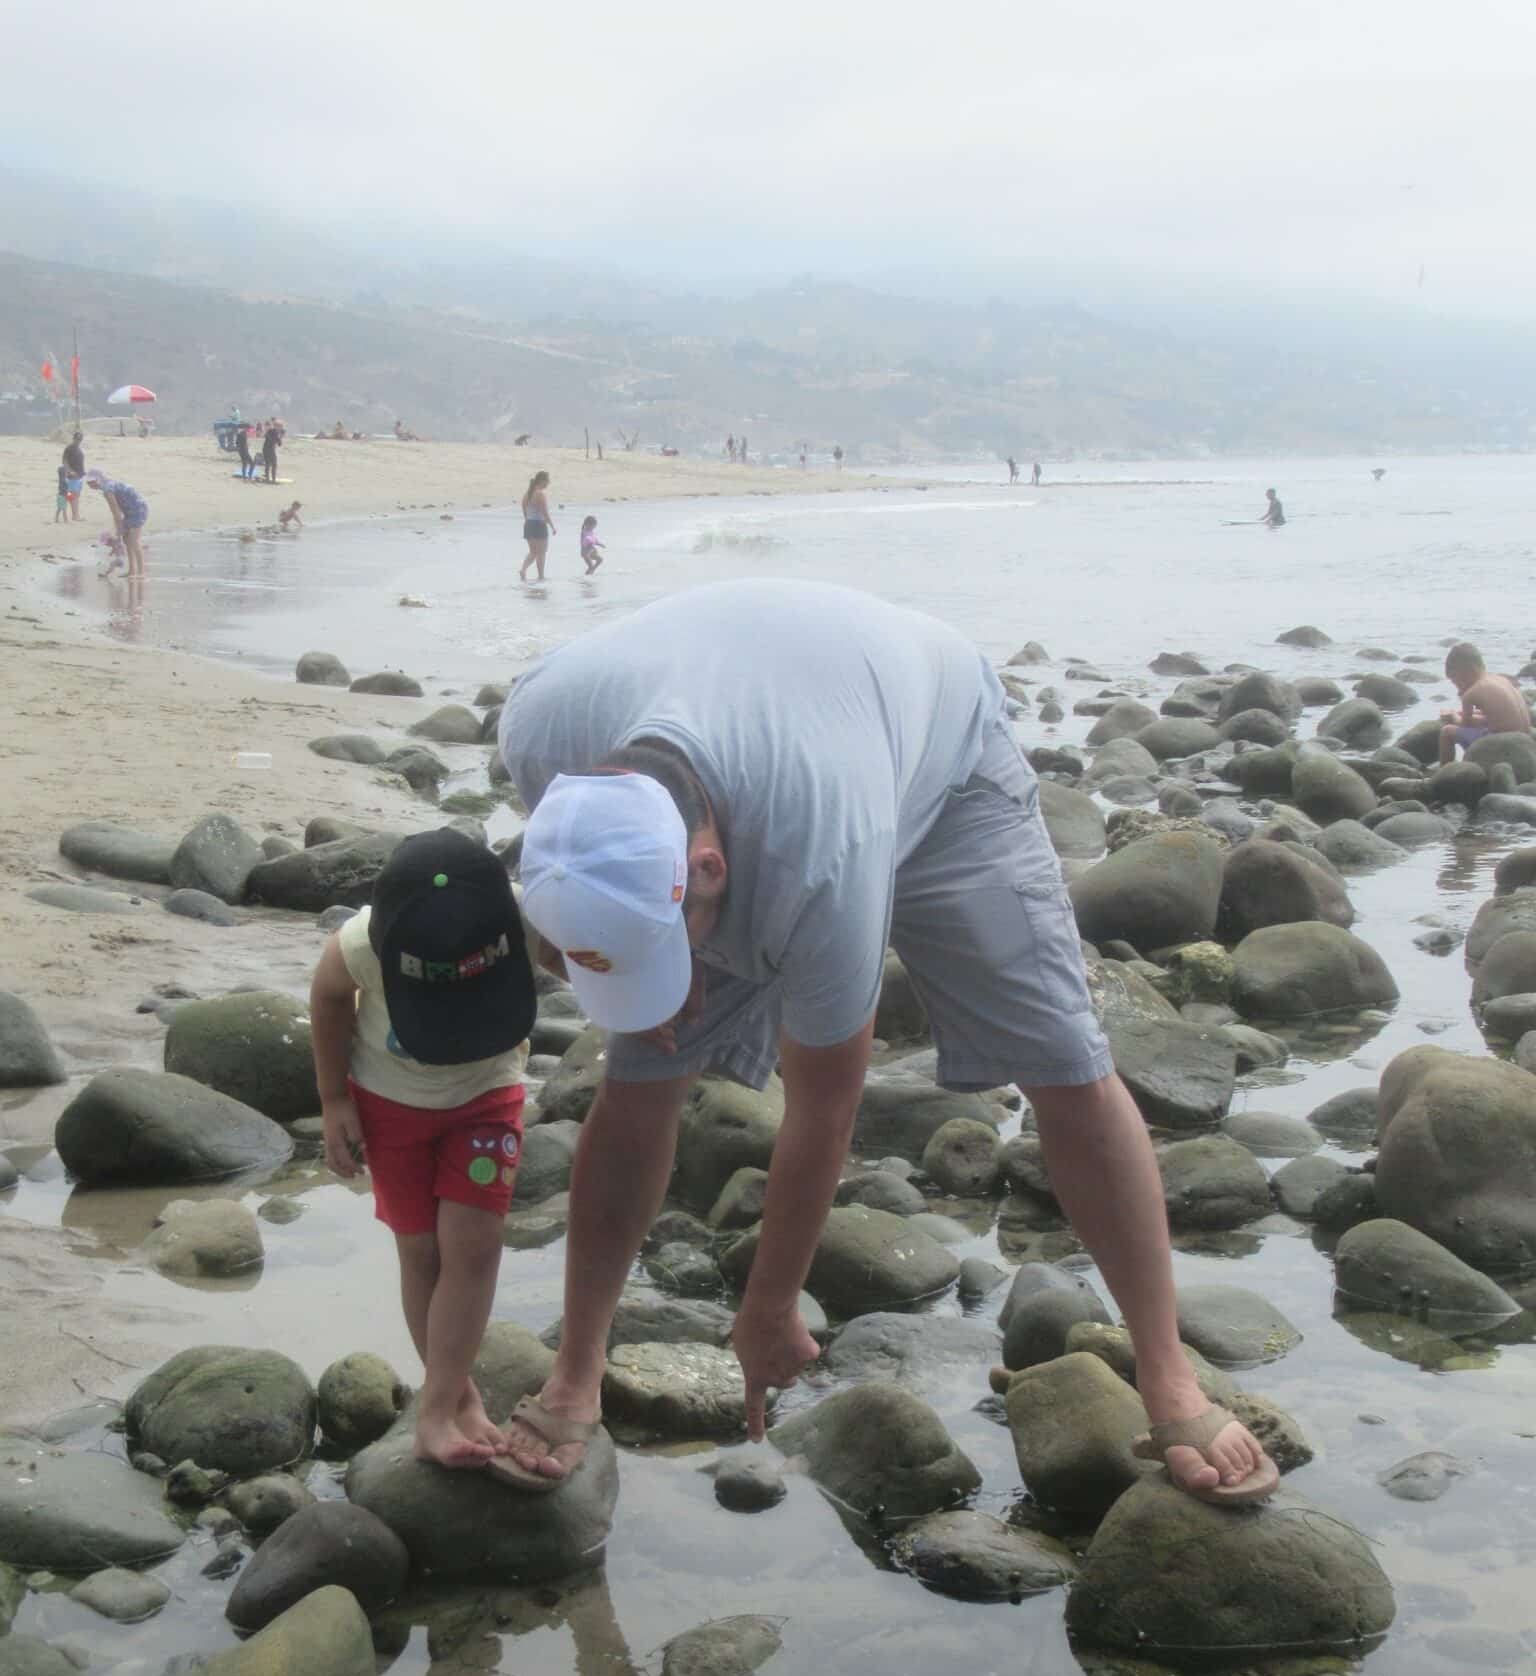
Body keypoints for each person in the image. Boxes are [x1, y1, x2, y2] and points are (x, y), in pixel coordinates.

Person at [496, 580, 1278, 1505]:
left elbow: (826, 1103)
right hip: (785, 703)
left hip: (937, 757)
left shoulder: (821, 850)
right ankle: (574, 1374)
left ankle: (1168, 1375)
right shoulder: (546, 733)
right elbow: (552, 915)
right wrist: (620, 961)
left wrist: (771, 1307)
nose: (689, 965)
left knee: (1064, 1064)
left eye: (683, 932)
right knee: (641, 1069)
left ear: (708, 868)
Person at [309, 828, 539, 1472]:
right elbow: (328, 997)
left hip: (488, 1096)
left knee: (474, 1245)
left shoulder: (519, 915)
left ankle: (434, 1412)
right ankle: (457, 1398)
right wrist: (333, 1101)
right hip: (389, 1107)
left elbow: (576, 954)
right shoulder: (361, 943)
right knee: (420, 1253)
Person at [1438, 642, 1533, 762]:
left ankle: (1444, 773)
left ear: (1467, 672)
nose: (1457, 687)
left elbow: (1465, 725)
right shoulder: (1500, 679)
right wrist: (1471, 716)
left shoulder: (1471, 694)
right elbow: (1496, 718)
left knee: (1446, 732)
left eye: (1455, 680)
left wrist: (1453, 716)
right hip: (1524, 739)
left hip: (1502, 744)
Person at [86, 469, 148, 579]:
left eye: (92, 482)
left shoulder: (107, 490)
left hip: (138, 509)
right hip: (128, 511)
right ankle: (132, 570)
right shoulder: (108, 486)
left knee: (134, 541)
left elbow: (115, 511)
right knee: (127, 541)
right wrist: (120, 530)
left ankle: (142, 572)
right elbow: (117, 511)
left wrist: (118, 530)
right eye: (88, 483)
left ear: (99, 479)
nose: (90, 485)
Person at [520, 469, 555, 582]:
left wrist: (528, 522)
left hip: (528, 524)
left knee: (533, 552)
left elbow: (524, 511)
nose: (548, 483)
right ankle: (541, 576)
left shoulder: (527, 494)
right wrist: (552, 526)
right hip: (539, 524)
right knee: (542, 552)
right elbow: (545, 513)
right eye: (547, 481)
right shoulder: (540, 494)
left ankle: (523, 569)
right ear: (542, 481)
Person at [62, 431, 86, 519]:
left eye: (80, 439)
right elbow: (64, 461)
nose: (78, 441)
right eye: (77, 439)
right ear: (74, 438)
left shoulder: (78, 448)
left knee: (75, 496)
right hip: (72, 477)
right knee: (73, 496)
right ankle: (75, 516)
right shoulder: (69, 448)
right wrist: (69, 471)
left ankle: (73, 514)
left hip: (80, 476)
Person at [261, 420, 283, 484]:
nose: (281, 428)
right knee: (274, 464)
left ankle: (268, 479)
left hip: (266, 449)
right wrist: (279, 440)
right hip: (269, 449)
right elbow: (279, 443)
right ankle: (273, 480)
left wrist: (278, 440)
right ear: (277, 426)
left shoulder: (271, 431)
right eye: (280, 427)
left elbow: (276, 441)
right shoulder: (274, 431)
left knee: (268, 463)